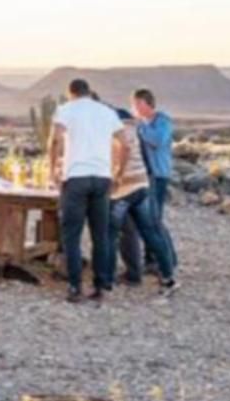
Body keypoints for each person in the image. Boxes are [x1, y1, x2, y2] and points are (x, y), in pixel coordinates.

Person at [48, 78, 122, 303]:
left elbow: (55, 140)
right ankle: (100, 286)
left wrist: (53, 169)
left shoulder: (66, 110)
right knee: (100, 235)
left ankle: (75, 287)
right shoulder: (107, 112)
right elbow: (124, 142)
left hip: (76, 177)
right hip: (102, 177)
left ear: (71, 93)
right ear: (89, 92)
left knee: (72, 235)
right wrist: (117, 171)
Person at [109, 108, 178, 294]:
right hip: (142, 184)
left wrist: (115, 177)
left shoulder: (113, 134)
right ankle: (168, 276)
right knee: (152, 231)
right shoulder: (136, 131)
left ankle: (106, 278)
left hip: (122, 190)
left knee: (111, 232)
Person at [132, 87, 178, 272]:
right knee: (147, 218)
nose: (135, 107)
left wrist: (139, 130)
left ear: (146, 103)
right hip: (145, 175)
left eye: (137, 103)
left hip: (158, 174)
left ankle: (166, 259)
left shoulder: (162, 121)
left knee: (155, 219)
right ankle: (151, 259)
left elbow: (157, 140)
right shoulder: (142, 123)